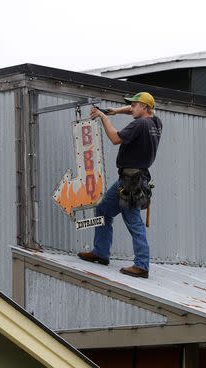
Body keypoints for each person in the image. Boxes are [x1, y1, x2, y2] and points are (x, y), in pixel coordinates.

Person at [77, 92, 163, 278]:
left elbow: (115, 138)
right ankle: (100, 252)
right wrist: (116, 110)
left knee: (133, 221)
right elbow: (138, 109)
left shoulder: (138, 124)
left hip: (130, 181)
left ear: (145, 108)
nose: (131, 108)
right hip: (136, 178)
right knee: (103, 210)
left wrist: (103, 117)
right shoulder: (155, 123)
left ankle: (141, 265)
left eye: (134, 105)